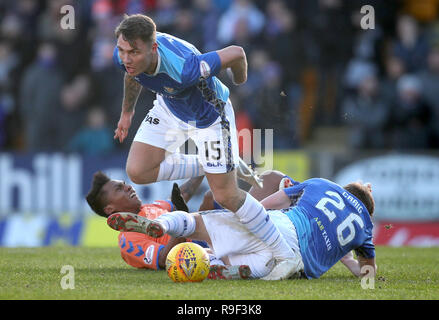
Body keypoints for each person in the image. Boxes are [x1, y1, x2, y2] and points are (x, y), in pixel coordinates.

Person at [111, 13, 296, 279]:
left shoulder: (186, 67)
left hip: (210, 117)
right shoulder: (125, 56)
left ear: (152, 48)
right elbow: (132, 76)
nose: (126, 58)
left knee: (226, 196)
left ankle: (285, 254)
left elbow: (236, 52)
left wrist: (241, 78)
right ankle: (213, 163)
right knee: (138, 171)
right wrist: (127, 113)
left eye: (133, 52)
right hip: (169, 107)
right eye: (122, 50)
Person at [108, 174, 377, 280]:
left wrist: (250, 218)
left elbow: (274, 201)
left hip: (282, 227)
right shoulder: (364, 228)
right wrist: (364, 272)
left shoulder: (323, 184)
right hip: (302, 265)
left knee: (195, 223)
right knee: (259, 261)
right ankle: (228, 267)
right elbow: (364, 271)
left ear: (344, 190)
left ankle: (162, 224)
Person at [85, 171, 250, 280]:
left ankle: (221, 260)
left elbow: (183, 194)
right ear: (110, 209)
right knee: (192, 244)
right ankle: (216, 264)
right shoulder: (127, 240)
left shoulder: (152, 207)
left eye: (124, 183)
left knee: (210, 197)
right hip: (187, 251)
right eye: (119, 189)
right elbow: (164, 259)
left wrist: (202, 168)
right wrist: (179, 226)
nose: (128, 186)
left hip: (202, 236)